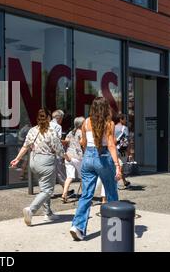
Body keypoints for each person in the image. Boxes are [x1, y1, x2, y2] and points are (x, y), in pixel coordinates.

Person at [70, 97, 122, 241]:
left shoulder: (86, 122)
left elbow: (83, 143)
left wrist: (89, 155)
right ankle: (114, 230)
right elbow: (111, 145)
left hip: (88, 158)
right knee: (111, 193)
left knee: (86, 195)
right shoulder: (109, 123)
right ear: (106, 108)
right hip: (103, 157)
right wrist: (117, 166)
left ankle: (77, 226)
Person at [10, 108, 71, 225]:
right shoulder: (51, 131)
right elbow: (58, 149)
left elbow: (25, 146)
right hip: (46, 162)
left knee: (43, 188)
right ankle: (31, 210)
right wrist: (67, 157)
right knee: (48, 190)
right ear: (49, 118)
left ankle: (48, 213)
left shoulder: (32, 130)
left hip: (33, 161)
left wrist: (17, 159)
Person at [50, 109, 74, 197]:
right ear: (60, 118)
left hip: (47, 152)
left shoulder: (47, 124)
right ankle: (65, 190)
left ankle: (49, 192)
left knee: (51, 173)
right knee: (60, 171)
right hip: (56, 152)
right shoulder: (57, 126)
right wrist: (65, 145)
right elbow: (57, 141)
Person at [61, 116, 85, 203]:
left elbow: (66, 142)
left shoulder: (71, 132)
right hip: (78, 157)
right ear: (82, 124)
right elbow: (83, 144)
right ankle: (84, 195)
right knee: (83, 177)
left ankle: (64, 194)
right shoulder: (81, 132)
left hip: (68, 156)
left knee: (69, 176)